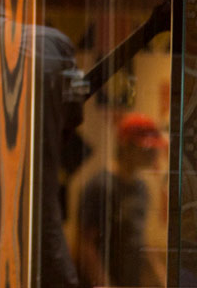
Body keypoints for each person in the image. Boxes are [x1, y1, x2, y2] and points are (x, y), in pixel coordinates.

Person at [74, 113, 166, 288]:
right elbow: (85, 246)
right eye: (147, 148)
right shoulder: (100, 186)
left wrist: (163, 278)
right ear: (126, 146)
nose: (152, 155)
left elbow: (139, 241)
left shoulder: (141, 188)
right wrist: (105, 284)